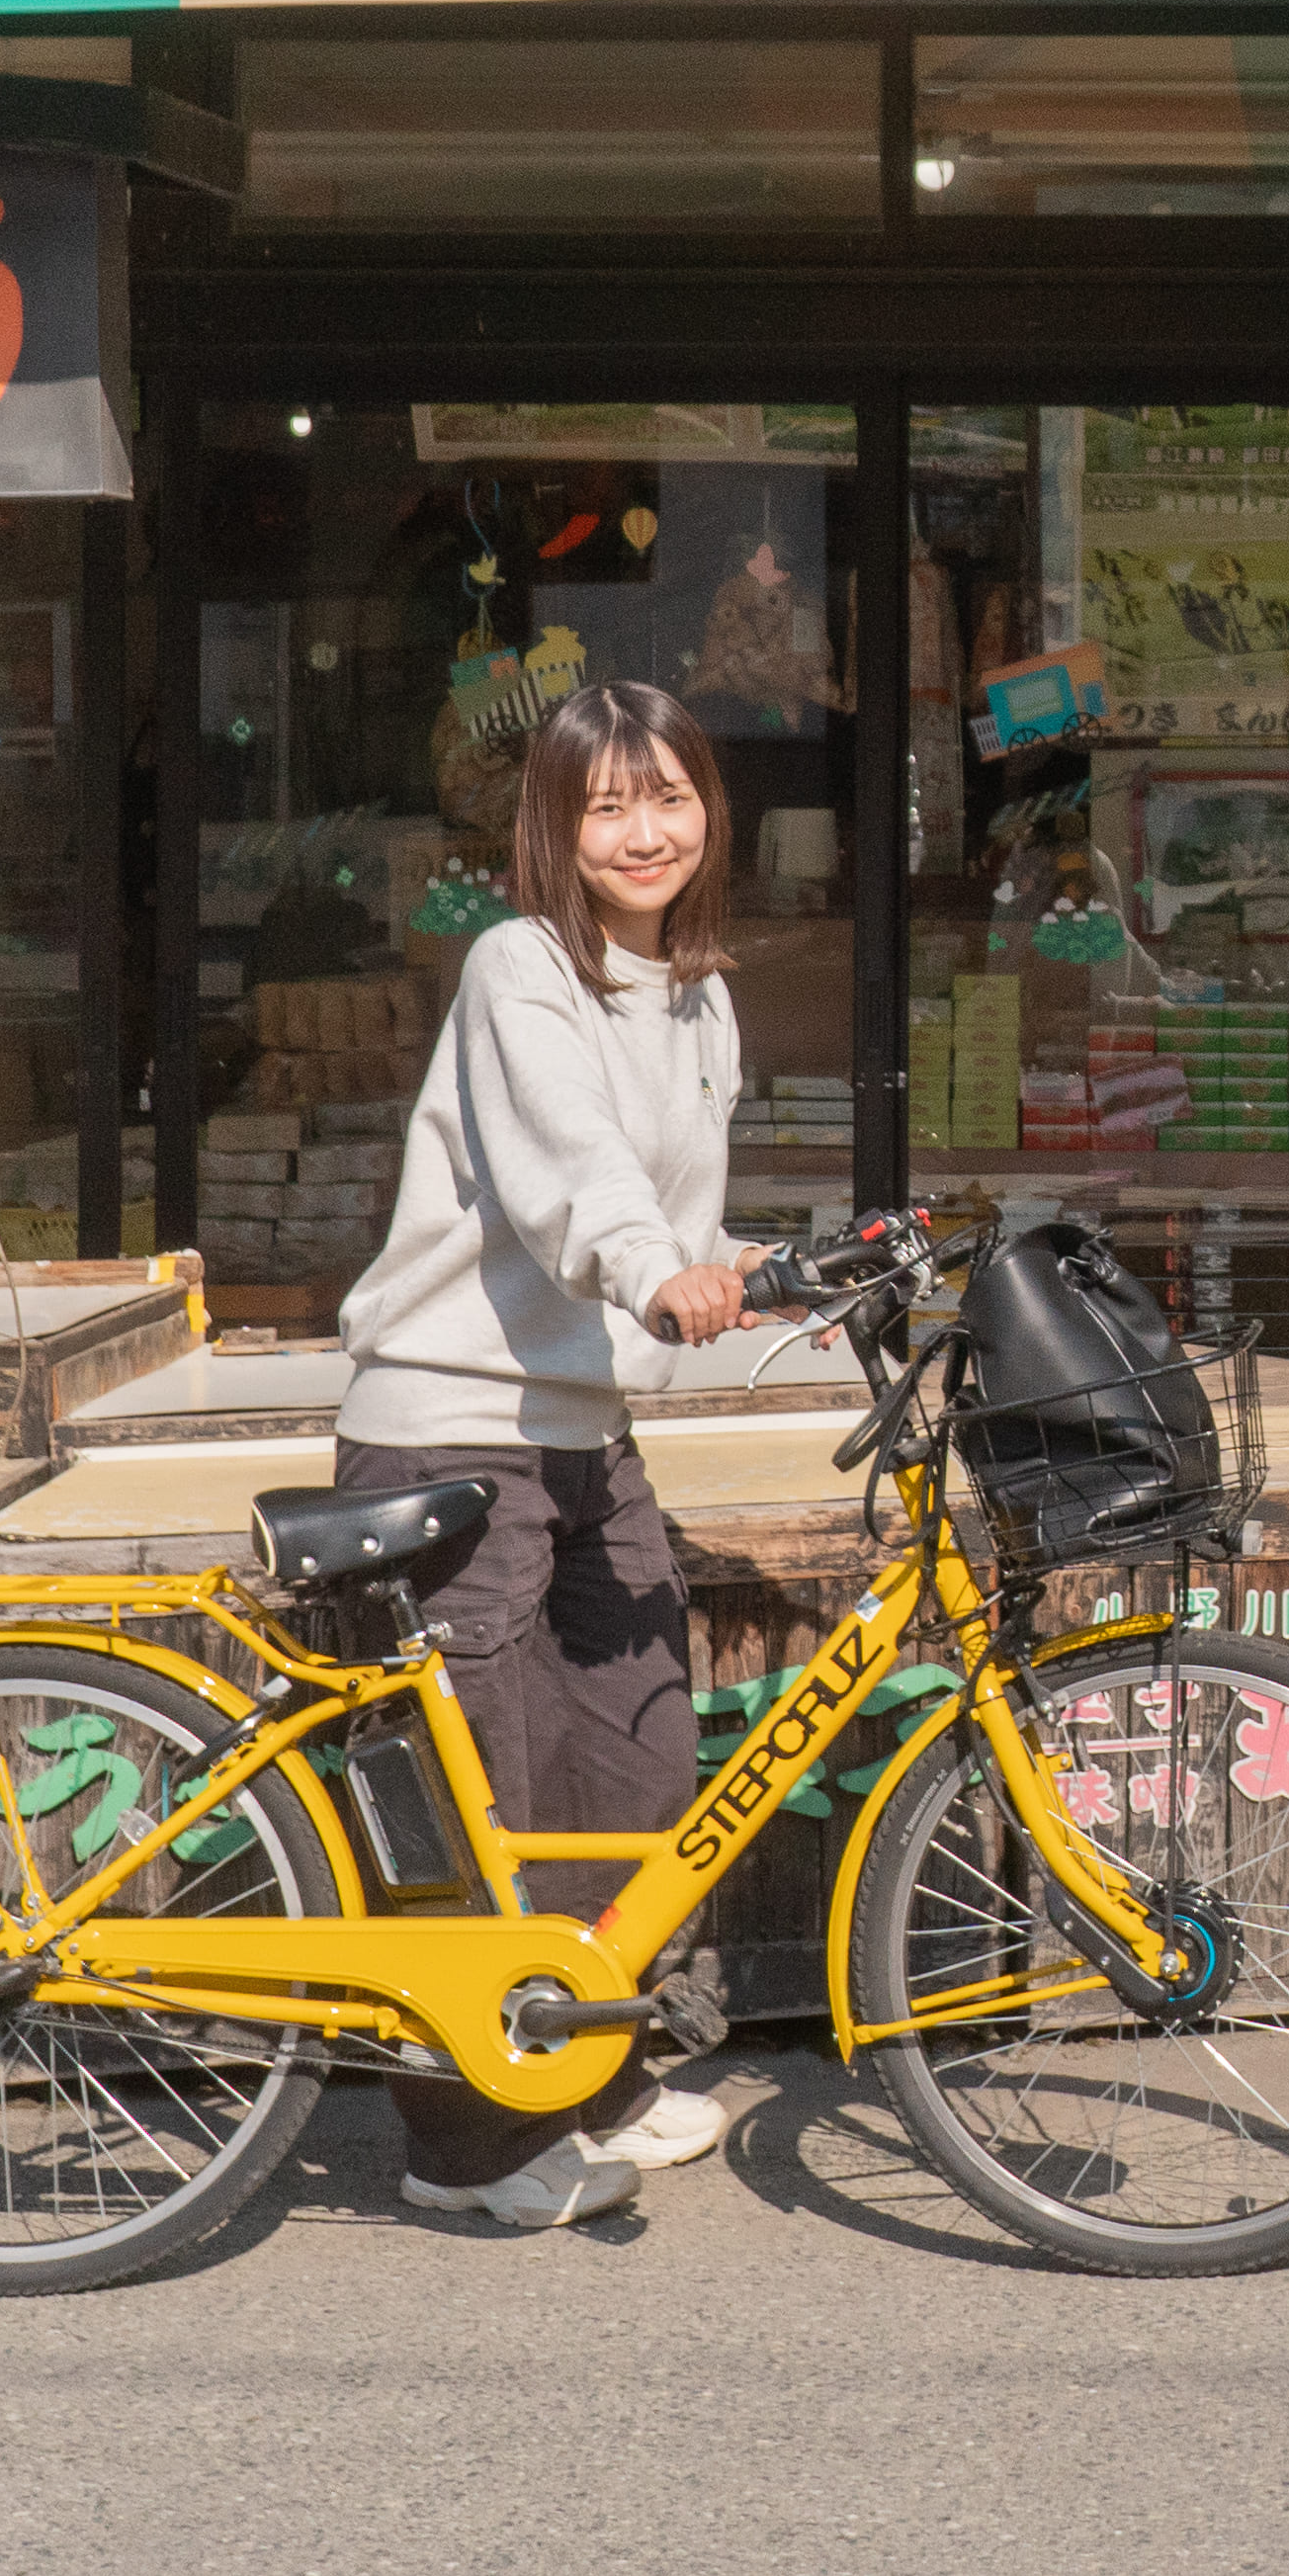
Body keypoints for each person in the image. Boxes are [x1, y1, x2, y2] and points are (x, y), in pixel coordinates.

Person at [329, 678, 764, 2233]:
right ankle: (467, 2148)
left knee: (633, 1767)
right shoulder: (519, 967)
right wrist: (653, 1273)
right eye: (607, 805)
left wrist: (770, 1272)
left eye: (670, 797)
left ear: (709, 809)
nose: (646, 833)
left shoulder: (699, 995)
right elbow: (575, 1175)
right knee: (483, 1805)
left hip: (586, 1434)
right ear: (554, 829)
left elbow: (679, 1218)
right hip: (450, 1430)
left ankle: (588, 2068)